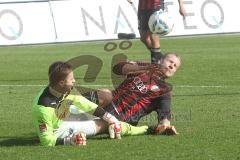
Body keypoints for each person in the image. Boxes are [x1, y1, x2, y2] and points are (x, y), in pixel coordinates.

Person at [32, 61, 148, 146]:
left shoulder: (64, 89)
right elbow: (47, 140)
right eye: (71, 79)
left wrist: (110, 118)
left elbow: (84, 104)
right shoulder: (43, 107)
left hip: (65, 114)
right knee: (104, 125)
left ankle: (117, 122)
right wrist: (70, 140)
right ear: (62, 82)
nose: (74, 81)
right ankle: (146, 129)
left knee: (109, 116)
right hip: (59, 128)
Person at [84, 53, 181, 135]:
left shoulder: (165, 91)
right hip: (110, 102)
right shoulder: (144, 66)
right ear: (160, 60)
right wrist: (140, 67)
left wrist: (166, 126)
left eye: (175, 66)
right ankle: (71, 103)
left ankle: (80, 127)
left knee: (107, 123)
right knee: (106, 93)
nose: (172, 66)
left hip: (121, 119)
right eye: (170, 61)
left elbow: (165, 115)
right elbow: (117, 69)